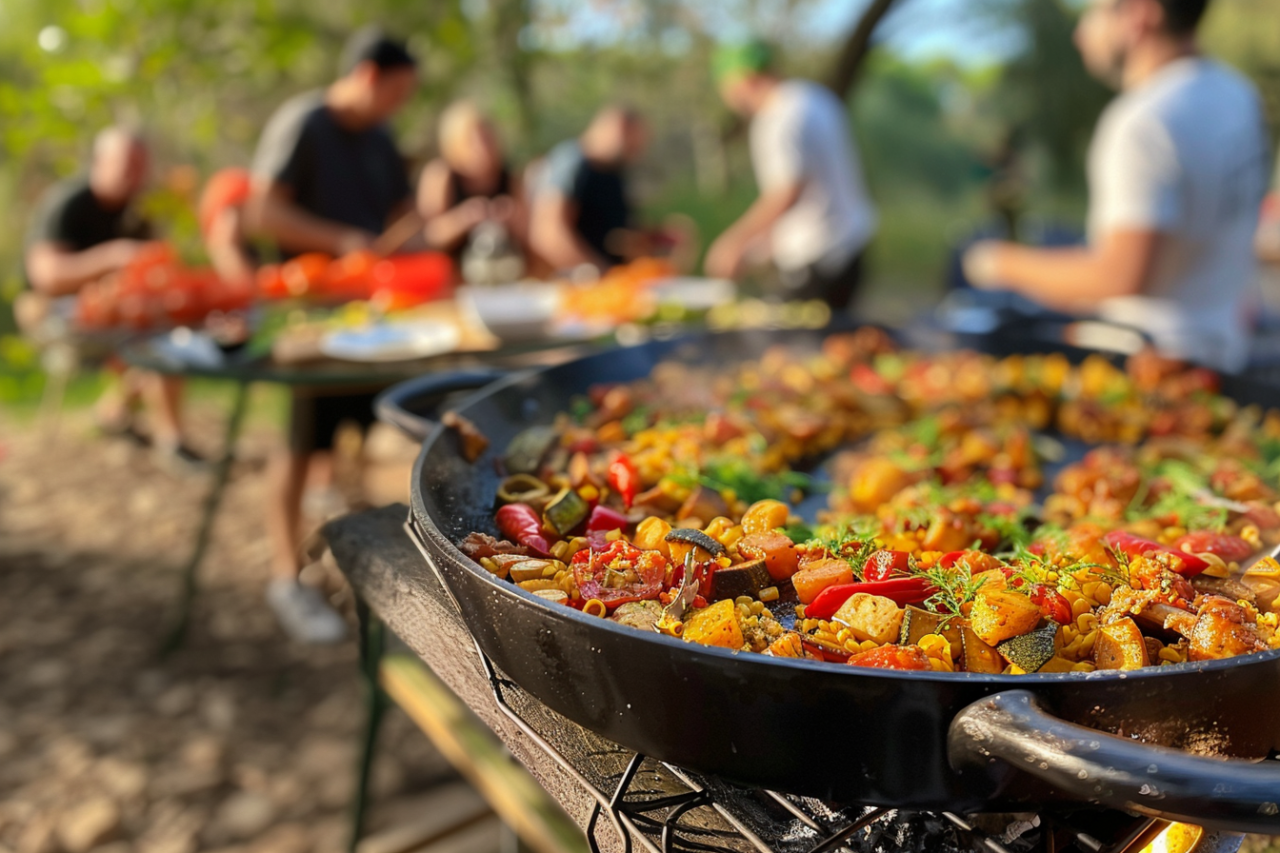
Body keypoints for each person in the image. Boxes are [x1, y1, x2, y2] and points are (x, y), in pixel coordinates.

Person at [963, 0, 1270, 372]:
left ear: (1141, 13)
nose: (1081, 34)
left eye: (1095, 11)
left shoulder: (1143, 121)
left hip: (1149, 371)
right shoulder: (1238, 95)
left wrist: (999, 262)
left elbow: (1120, 275)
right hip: (1226, 354)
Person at [246, 26, 418, 643]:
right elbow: (261, 212)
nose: (400, 106)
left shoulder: (381, 137)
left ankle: (356, 563)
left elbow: (400, 215)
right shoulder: (304, 124)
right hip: (312, 321)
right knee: (300, 444)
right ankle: (283, 578)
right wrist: (340, 240)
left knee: (374, 432)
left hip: (376, 320)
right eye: (397, 92)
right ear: (368, 76)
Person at [21, 127, 202, 470]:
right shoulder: (68, 202)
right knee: (152, 338)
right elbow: (46, 277)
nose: (133, 175)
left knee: (168, 329)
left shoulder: (140, 208)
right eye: (126, 165)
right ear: (99, 162)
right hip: (50, 308)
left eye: (140, 166)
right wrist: (112, 257)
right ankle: (167, 439)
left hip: (120, 311)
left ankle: (130, 419)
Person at [705, 40, 878, 314]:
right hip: (850, 248)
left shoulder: (778, 116)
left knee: (796, 345)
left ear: (741, 79)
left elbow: (788, 190)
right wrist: (768, 244)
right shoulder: (815, 97)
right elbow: (820, 181)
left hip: (818, 259)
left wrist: (734, 244)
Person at [529, 106, 648, 273]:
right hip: (575, 287)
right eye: (633, 146)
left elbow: (614, 232)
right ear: (619, 129)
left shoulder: (612, 171)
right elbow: (548, 234)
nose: (635, 154)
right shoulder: (571, 163)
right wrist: (602, 274)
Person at [417, 100, 525, 260]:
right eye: (473, 141)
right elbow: (427, 236)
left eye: (487, 139)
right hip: (451, 272)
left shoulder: (509, 176)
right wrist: (463, 218)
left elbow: (531, 236)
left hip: (504, 268)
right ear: (455, 143)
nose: (483, 148)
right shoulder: (440, 175)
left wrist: (511, 217)